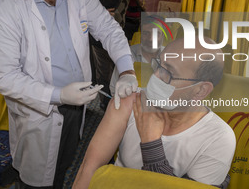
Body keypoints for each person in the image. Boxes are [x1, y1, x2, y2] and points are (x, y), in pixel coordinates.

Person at [0, 0, 138, 188]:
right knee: (36, 177)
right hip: (39, 108)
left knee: (64, 161)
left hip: (78, 104)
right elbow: (3, 76)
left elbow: (108, 30)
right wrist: (58, 94)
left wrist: (127, 70)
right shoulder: (1, 6)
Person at [73, 37, 236, 189]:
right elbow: (89, 168)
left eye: (169, 74)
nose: (156, 77)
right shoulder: (129, 103)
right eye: (158, 65)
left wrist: (151, 142)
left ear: (201, 90)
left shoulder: (219, 139)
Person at [89, 0, 141, 110]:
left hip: (116, 36)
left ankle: (114, 96)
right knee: (104, 72)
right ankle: (105, 102)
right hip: (100, 40)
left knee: (116, 69)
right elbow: (86, 8)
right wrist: (100, 12)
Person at [109, 16, 165, 95]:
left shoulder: (171, 57)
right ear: (140, 35)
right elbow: (114, 89)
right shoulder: (126, 55)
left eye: (156, 34)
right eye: (146, 33)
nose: (151, 39)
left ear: (162, 36)